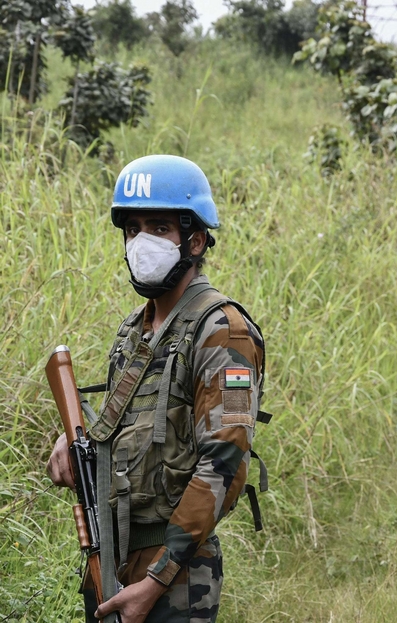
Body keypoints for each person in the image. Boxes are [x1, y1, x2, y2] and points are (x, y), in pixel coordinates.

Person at [46, 155, 267, 623]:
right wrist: (74, 441)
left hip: (176, 575)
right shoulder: (135, 328)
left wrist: (156, 580)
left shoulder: (224, 332)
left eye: (160, 227)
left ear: (196, 239)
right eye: (133, 229)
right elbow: (130, 423)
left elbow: (225, 463)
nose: (142, 241)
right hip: (112, 556)